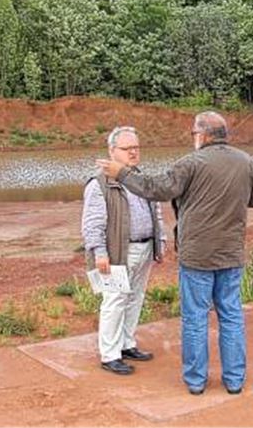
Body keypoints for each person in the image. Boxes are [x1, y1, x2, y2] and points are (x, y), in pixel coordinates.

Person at [98, 112, 253, 396]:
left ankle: (196, 381)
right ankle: (234, 379)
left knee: (196, 318)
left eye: (193, 133)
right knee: (231, 316)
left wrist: (122, 173)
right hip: (231, 254)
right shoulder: (245, 161)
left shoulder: (190, 163)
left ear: (202, 135)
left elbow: (156, 189)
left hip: (197, 256)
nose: (193, 138)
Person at [82, 127, 166, 376]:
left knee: (135, 297)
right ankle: (110, 355)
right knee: (115, 300)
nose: (133, 152)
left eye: (136, 148)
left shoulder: (141, 179)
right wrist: (99, 253)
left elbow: (157, 213)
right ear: (112, 151)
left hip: (145, 247)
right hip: (119, 250)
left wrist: (159, 241)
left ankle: (127, 344)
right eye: (127, 148)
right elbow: (92, 223)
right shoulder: (100, 184)